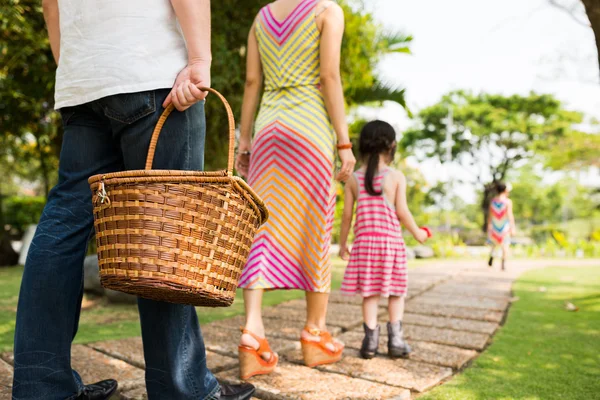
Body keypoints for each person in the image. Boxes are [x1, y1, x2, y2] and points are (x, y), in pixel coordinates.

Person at [13, 0, 254, 399]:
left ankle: (41, 386)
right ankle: (183, 388)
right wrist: (200, 61)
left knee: (63, 225)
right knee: (167, 233)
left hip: (83, 84)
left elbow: (50, 6)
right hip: (155, 73)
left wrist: (76, 70)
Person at [234, 0, 355, 379]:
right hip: (309, 128)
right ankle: (315, 334)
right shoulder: (327, 11)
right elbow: (330, 76)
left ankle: (253, 332)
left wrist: (244, 141)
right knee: (315, 229)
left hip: (269, 130)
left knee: (261, 228)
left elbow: (253, 82)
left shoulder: (262, 17)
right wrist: (344, 143)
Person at [338, 120, 429, 360]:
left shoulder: (353, 179)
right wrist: (418, 232)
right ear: (391, 146)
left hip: (365, 245)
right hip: (390, 244)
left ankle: (370, 342)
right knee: (396, 292)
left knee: (370, 294)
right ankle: (396, 341)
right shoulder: (395, 176)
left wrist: (343, 243)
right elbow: (402, 212)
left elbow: (347, 216)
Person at [487, 182, 516, 271]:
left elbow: (490, 215)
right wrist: (513, 227)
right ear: (505, 190)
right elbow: (510, 215)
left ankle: (492, 255)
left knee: (494, 244)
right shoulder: (507, 202)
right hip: (504, 226)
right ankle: (503, 263)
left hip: (495, 225)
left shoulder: (493, 202)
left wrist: (489, 225)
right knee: (505, 244)